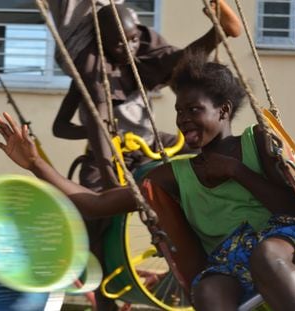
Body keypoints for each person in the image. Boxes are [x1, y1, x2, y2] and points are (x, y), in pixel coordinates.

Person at [0, 52, 295, 311]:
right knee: (207, 291)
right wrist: (35, 164)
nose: (183, 119)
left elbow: (290, 207)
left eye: (194, 109)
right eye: (179, 111)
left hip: (281, 242)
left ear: (223, 111)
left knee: (266, 257)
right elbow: (96, 204)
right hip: (230, 263)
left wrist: (236, 171)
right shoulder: (174, 174)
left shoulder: (256, 141)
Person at [51, 2, 241, 308]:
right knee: (93, 210)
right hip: (111, 155)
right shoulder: (92, 77)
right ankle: (103, 296)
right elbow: (67, 127)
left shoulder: (140, 63)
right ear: (105, 45)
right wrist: (108, 164)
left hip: (150, 142)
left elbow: (163, 60)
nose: (127, 47)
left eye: (133, 39)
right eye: (118, 43)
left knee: (196, 152)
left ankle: (217, 33)